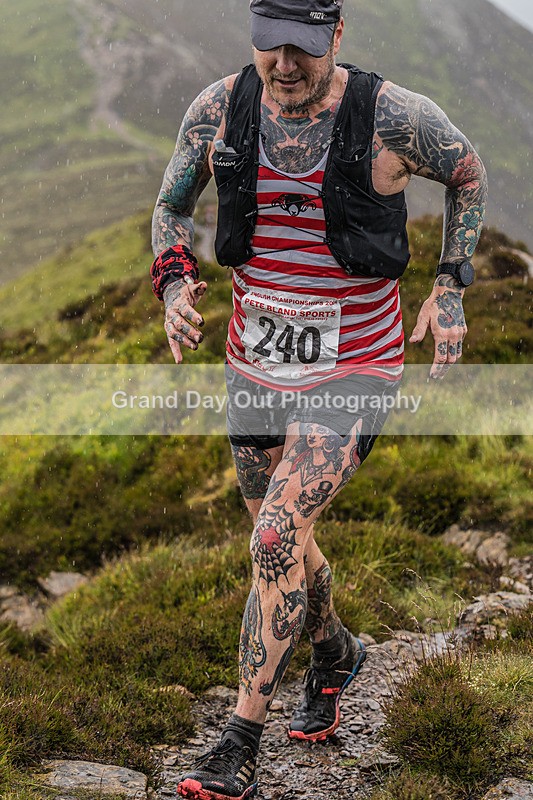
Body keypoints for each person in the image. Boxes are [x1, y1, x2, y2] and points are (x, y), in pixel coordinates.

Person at [150, 1, 487, 797]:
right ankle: (334, 650)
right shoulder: (217, 109)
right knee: (283, 540)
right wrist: (172, 283)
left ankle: (237, 744)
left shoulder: (395, 117)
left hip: (354, 367)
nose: (285, 65)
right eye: (270, 47)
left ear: (335, 35)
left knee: (273, 536)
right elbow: (171, 206)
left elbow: (467, 175)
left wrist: (448, 285)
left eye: (302, 48)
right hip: (254, 366)